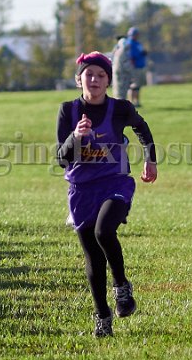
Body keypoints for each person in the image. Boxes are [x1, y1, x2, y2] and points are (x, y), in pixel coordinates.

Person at [56, 51, 157, 338]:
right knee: (92, 256)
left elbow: (142, 127)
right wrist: (75, 137)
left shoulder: (121, 108)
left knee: (104, 231)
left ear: (109, 81)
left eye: (101, 75)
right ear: (79, 80)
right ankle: (102, 316)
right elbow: (61, 159)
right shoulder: (68, 111)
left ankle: (121, 286)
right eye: (89, 74)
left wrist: (150, 159)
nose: (95, 79)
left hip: (115, 182)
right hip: (81, 190)